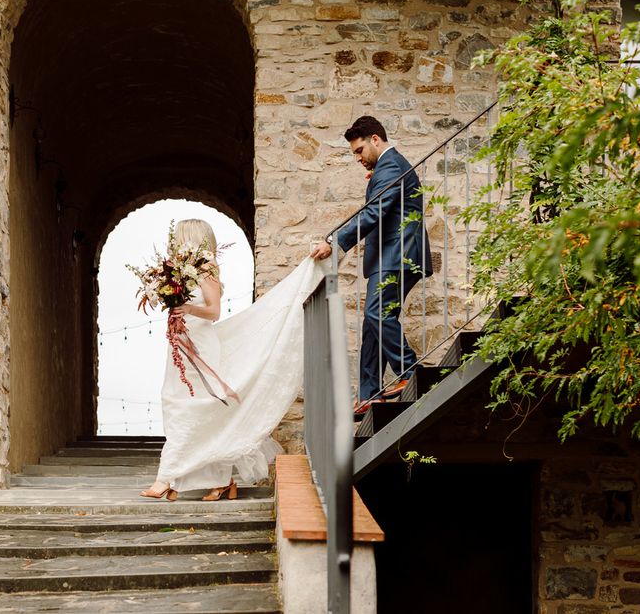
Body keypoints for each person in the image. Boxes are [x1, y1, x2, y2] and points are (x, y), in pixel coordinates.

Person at [141, 219, 325, 500]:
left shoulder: (206, 268)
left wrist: (186, 307)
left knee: (193, 409)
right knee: (182, 406)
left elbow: (213, 312)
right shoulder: (180, 273)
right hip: (180, 346)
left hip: (200, 346)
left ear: (191, 239)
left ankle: (166, 478)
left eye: (178, 239)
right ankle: (222, 480)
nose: (174, 244)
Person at [312, 116, 432, 415]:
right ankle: (370, 394)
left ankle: (409, 371)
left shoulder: (391, 166)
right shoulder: (387, 169)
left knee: (377, 313)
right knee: (372, 324)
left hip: (399, 254)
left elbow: (373, 213)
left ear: (375, 140)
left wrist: (335, 241)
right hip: (390, 256)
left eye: (359, 150)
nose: (358, 158)